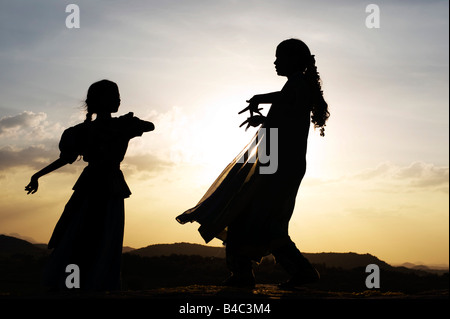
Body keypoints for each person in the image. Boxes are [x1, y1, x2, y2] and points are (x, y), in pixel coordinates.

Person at [176, 38, 329, 288]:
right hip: (278, 163)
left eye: (280, 57)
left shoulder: (297, 87)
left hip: (280, 166)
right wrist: (263, 121)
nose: (275, 62)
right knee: (251, 214)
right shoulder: (296, 89)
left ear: (294, 60)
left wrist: (260, 100)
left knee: (259, 216)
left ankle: (293, 274)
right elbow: (282, 123)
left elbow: (282, 109)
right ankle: (247, 273)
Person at [25, 79, 155, 291]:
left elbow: (149, 126)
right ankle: (87, 285)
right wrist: (37, 175)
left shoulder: (84, 130)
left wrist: (37, 175)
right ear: (103, 101)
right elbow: (148, 126)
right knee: (96, 238)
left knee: (84, 237)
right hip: (104, 186)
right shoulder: (116, 126)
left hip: (94, 185)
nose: (119, 101)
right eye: (114, 97)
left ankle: (78, 285)